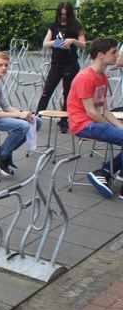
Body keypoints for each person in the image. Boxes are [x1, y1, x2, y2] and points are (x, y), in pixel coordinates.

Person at [66, 37, 123, 199]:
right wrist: (112, 128)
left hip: (94, 122)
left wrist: (120, 127)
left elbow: (104, 109)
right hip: (83, 125)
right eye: (114, 52)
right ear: (101, 55)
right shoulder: (85, 77)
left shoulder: (102, 77)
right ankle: (108, 173)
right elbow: (91, 111)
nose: (117, 55)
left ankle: (104, 172)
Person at [0, 51, 42, 177]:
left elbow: (6, 106)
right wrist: (19, 115)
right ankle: (0, 155)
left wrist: (23, 114)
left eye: (6, 65)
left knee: (36, 122)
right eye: (0, 65)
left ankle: (5, 153)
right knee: (22, 126)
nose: (4, 68)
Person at [37, 1, 86, 134]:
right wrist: (56, 42)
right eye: (61, 14)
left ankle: (63, 120)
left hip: (70, 63)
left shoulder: (76, 26)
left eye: (65, 14)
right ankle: (36, 117)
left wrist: (73, 41)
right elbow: (45, 43)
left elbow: (83, 45)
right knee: (47, 90)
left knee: (68, 92)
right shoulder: (54, 26)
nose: (63, 17)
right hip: (56, 63)